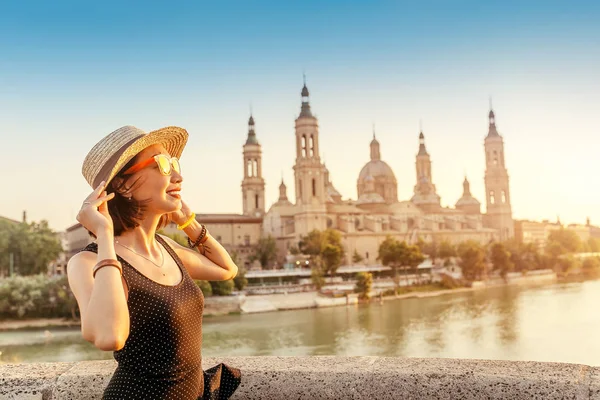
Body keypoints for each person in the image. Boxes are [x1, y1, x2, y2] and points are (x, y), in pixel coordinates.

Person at [67, 125, 241, 399]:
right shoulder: (86, 262)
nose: (177, 175)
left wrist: (188, 222)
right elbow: (109, 336)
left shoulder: (166, 247)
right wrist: (104, 233)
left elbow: (227, 269)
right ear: (123, 185)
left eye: (174, 163)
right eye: (161, 164)